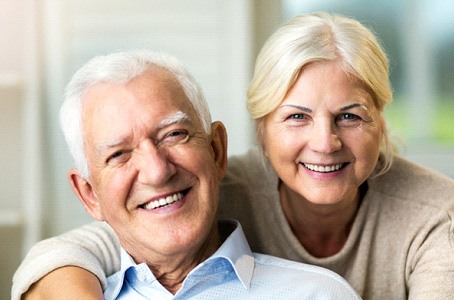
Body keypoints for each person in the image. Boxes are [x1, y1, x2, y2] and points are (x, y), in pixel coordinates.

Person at [13, 12, 454, 299]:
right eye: (296, 116)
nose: (325, 142)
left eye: (351, 116)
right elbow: (86, 245)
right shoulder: (205, 187)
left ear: (381, 117)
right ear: (261, 128)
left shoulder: (433, 212)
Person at [11, 49, 361, 300]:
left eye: (174, 135)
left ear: (217, 151)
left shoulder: (318, 294)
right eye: (119, 154)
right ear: (89, 194)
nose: (157, 170)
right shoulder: (66, 289)